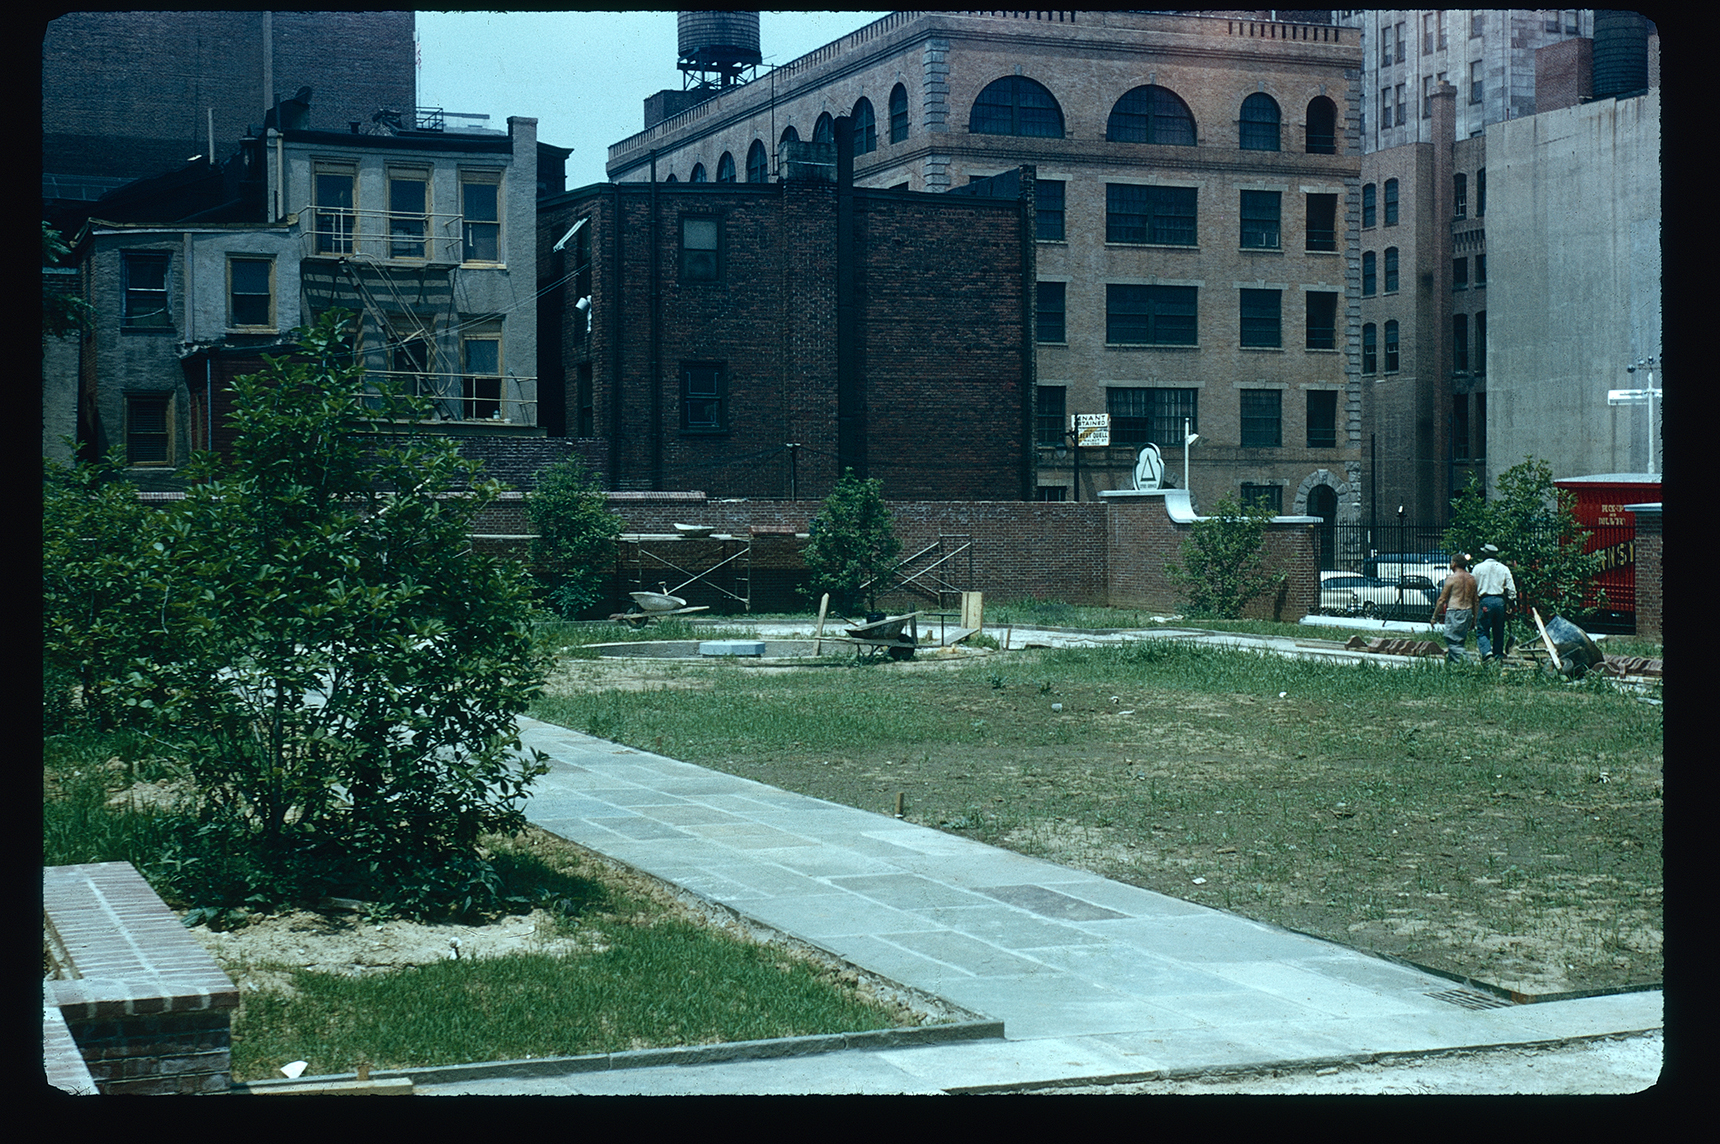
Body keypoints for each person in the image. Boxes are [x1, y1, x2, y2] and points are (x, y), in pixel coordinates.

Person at [1471, 543, 1517, 663]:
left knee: (1482, 629)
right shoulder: (1503, 568)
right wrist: (1510, 603)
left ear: (1484, 554)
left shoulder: (1478, 568)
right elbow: (1511, 589)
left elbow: (1472, 586)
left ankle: (1487, 653)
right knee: (1499, 629)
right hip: (1500, 601)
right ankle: (1498, 654)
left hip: (1485, 600)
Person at [1431, 553, 1478, 664]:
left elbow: (1442, 599)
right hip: (1467, 611)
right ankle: (1452, 665)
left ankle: (1468, 663)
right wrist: (1475, 618)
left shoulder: (1452, 579)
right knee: (1459, 640)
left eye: (1451, 562)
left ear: (1454, 564)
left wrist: (1434, 616)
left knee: (1451, 640)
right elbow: (1476, 600)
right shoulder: (1472, 579)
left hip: (1455, 611)